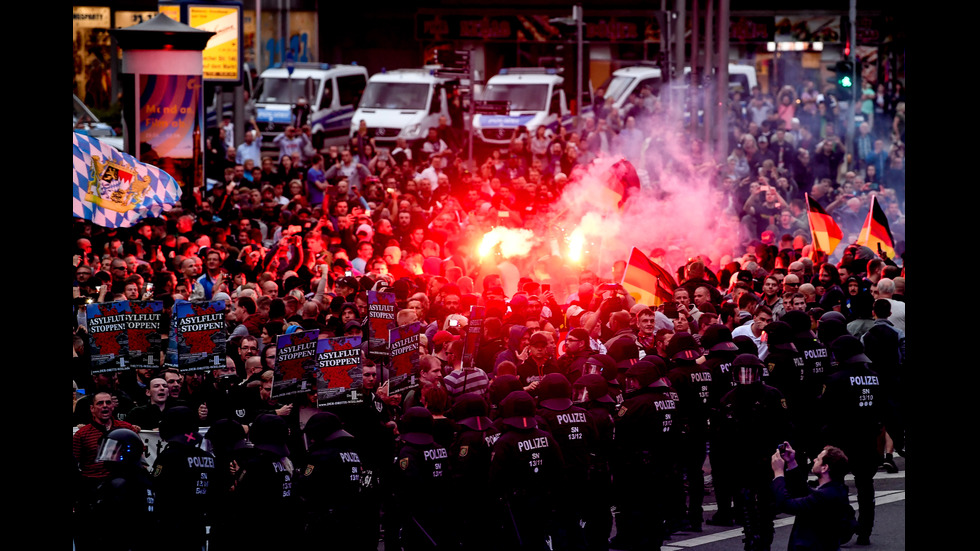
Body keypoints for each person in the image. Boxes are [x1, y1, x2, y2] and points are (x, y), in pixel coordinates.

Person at [771, 443, 853, 551]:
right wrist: (791, 462)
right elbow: (805, 493)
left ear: (825, 467)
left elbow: (785, 504)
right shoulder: (835, 490)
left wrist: (778, 473)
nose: (814, 460)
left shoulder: (824, 496)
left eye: (818, 459)